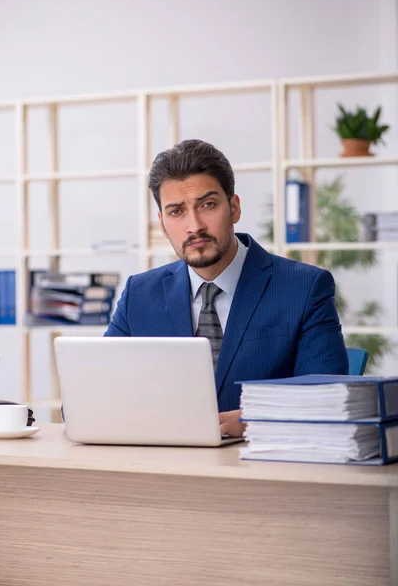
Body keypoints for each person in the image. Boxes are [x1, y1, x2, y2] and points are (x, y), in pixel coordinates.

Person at [104, 139, 348, 437]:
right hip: (163, 466)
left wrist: (257, 420)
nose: (194, 226)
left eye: (207, 205)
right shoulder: (138, 295)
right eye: (176, 212)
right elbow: (88, 401)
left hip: (263, 469)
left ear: (233, 208)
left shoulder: (305, 287)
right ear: (163, 224)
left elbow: (328, 399)